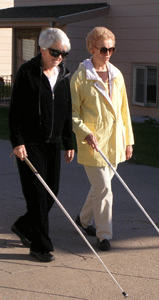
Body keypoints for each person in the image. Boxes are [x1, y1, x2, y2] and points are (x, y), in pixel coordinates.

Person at [9, 27, 74, 262]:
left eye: (64, 53)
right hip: (30, 144)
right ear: (42, 49)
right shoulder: (27, 72)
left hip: (53, 143)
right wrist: (17, 142)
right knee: (37, 195)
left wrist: (69, 141)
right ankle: (40, 245)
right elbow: (15, 111)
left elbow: (67, 109)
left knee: (51, 192)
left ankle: (24, 226)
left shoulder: (63, 73)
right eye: (56, 52)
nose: (59, 58)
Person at [70, 27, 134, 251]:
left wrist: (128, 141)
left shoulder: (117, 75)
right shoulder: (80, 77)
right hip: (92, 144)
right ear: (92, 49)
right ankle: (104, 235)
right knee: (105, 189)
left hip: (115, 143)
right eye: (104, 49)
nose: (108, 53)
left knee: (100, 188)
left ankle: (83, 220)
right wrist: (85, 132)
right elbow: (73, 113)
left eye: (112, 49)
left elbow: (124, 110)